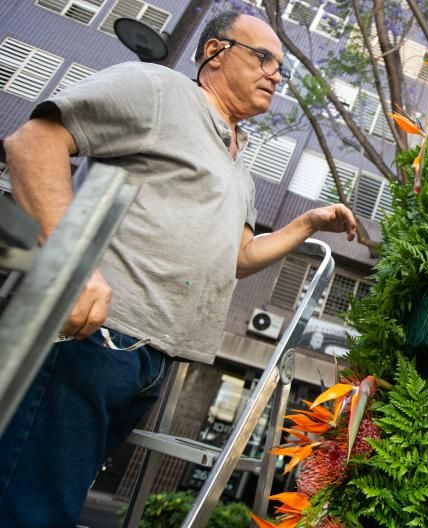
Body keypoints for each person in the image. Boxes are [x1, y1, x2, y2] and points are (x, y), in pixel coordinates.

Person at [0, 10, 357, 527]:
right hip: (95, 336)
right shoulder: (159, 89)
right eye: (264, 58)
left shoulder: (241, 165)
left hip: (153, 360)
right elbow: (34, 144)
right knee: (30, 507)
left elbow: (238, 257)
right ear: (215, 51)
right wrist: (70, 266)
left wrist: (305, 223)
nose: (276, 74)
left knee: (54, 501)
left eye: (281, 67)